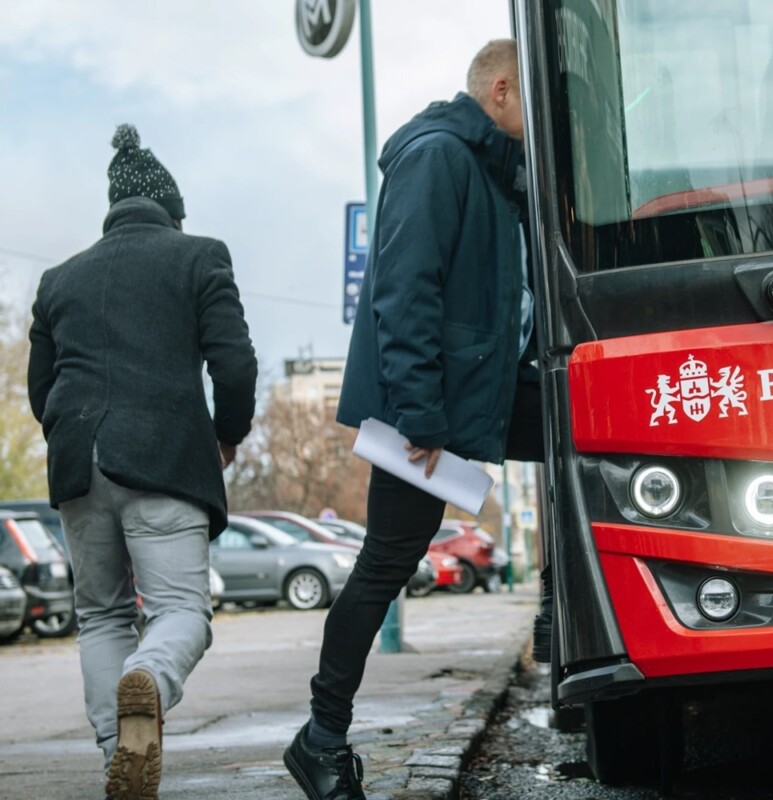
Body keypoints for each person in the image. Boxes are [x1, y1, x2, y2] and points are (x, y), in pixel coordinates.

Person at [283, 39, 542, 800]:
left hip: (481, 389)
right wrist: (421, 415)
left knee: (587, 442)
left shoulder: (496, 170)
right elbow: (404, 289)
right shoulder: (438, 157)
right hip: (426, 409)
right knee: (387, 563)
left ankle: (563, 623)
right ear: (500, 92)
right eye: (534, 105)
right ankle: (321, 738)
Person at [26, 124, 258, 800]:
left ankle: (117, 756)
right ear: (174, 211)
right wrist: (228, 434)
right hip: (163, 460)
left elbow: (42, 390)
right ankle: (149, 684)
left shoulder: (59, 278)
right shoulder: (198, 255)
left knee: (100, 616)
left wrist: (74, 433)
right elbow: (234, 363)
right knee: (180, 610)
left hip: (76, 463)